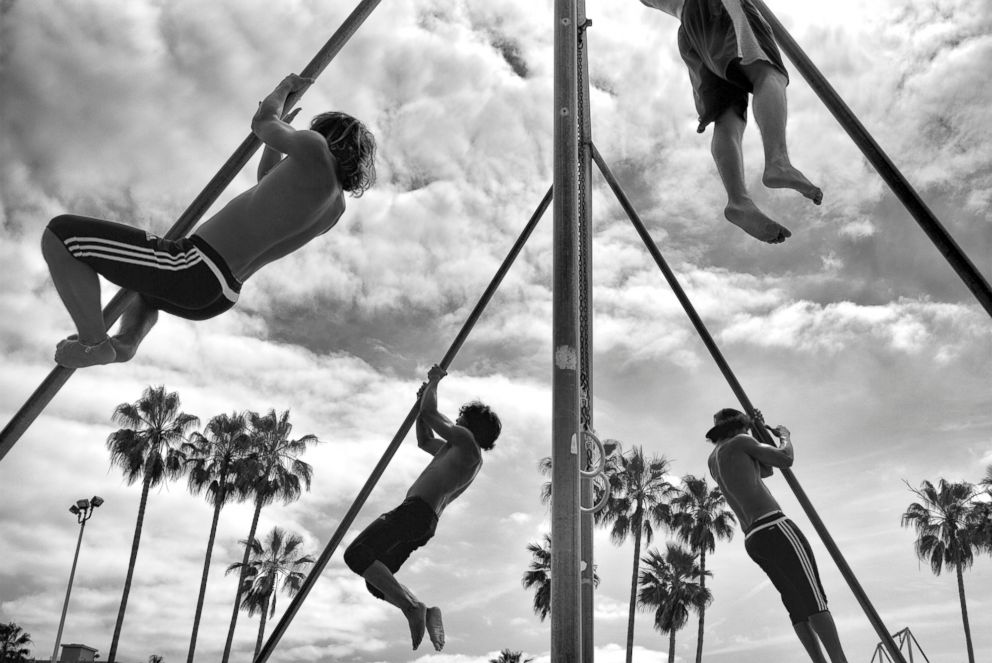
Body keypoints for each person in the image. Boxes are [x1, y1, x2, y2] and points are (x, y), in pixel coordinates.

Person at [41, 73, 376, 368]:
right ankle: (126, 343)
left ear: (325, 133)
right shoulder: (335, 209)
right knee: (144, 293)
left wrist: (284, 89)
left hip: (193, 266)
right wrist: (277, 136)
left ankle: (94, 344)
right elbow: (267, 180)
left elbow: (262, 122)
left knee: (61, 235)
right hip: (220, 296)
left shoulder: (314, 146)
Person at [343, 365, 501, 652]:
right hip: (422, 521)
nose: (455, 419)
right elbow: (424, 439)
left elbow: (432, 414)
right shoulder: (456, 451)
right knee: (376, 582)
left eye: (460, 418)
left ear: (471, 426)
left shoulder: (468, 444)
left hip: (415, 513)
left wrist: (435, 381)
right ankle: (424, 611)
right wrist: (421, 406)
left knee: (356, 554)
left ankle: (412, 607)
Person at [639, 0, 822, 244]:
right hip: (717, 5)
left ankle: (738, 200)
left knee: (728, 115)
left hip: (689, 29)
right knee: (767, 73)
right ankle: (778, 161)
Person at [705, 408, 848, 663]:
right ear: (739, 426)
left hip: (754, 539)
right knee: (814, 599)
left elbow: (766, 470)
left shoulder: (715, 458)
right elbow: (785, 458)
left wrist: (759, 429)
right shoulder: (741, 441)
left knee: (796, 606)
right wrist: (784, 435)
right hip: (774, 526)